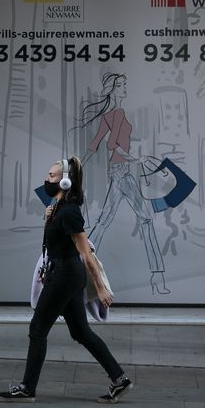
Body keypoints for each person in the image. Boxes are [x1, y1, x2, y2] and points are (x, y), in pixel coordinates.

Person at [0, 156, 132, 404]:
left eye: (52, 176)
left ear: (66, 181)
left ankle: (27, 388)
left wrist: (100, 288)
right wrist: (48, 218)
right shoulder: (58, 209)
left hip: (65, 276)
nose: (47, 179)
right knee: (80, 331)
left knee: (37, 329)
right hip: (63, 274)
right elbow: (55, 244)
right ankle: (119, 379)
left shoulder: (69, 213)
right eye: (49, 174)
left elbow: (86, 254)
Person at [76, 73, 170, 294]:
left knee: (104, 221)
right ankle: (158, 277)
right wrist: (134, 159)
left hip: (118, 171)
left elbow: (95, 143)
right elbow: (112, 145)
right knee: (145, 219)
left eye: (125, 84)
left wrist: (77, 166)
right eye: (121, 85)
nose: (125, 88)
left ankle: (80, 265)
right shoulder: (117, 114)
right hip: (123, 171)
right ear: (113, 89)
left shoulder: (109, 115)